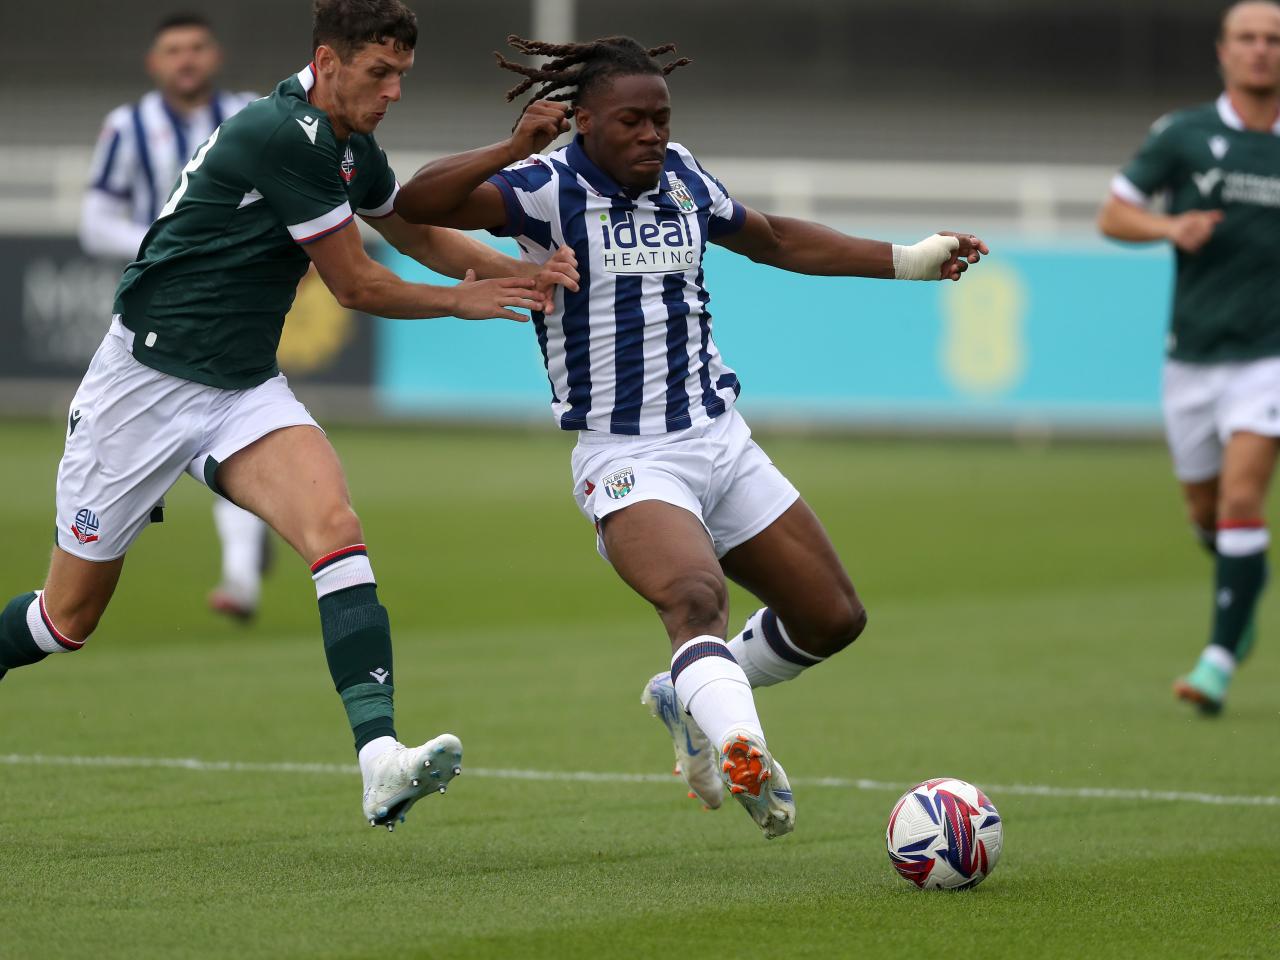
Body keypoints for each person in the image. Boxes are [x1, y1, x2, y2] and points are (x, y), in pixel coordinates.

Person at [0, 0, 577, 831]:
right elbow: (358, 284)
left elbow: (412, 232)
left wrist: (518, 274)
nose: (393, 93)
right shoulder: (285, 134)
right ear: (328, 61)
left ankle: (380, 761)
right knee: (66, 621)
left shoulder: (344, 143)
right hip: (143, 387)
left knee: (334, 526)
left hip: (238, 387)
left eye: (402, 76)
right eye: (379, 74)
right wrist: (464, 301)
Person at [394, 34, 987, 839]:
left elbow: (774, 237)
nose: (652, 135)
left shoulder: (683, 177)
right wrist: (509, 146)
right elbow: (417, 203)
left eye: (661, 118)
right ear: (586, 122)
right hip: (627, 455)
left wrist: (910, 260)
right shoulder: (544, 188)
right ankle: (744, 749)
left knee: (832, 619)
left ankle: (693, 694)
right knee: (696, 597)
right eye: (632, 121)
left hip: (721, 440)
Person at [1098, 0, 1280, 715]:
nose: (1261, 50)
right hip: (1192, 359)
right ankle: (1245, 586)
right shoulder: (1185, 135)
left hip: (1269, 356)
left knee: (1242, 497)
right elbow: (1114, 211)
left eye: (1273, 39)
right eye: (1248, 38)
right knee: (1208, 513)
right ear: (1223, 51)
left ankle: (1218, 659)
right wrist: (1170, 225)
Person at [80, 12, 272, 622]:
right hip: (153, 315)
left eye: (195, 48)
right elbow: (94, 220)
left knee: (237, 432)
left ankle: (240, 577)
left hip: (235, 309)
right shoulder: (127, 127)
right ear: (154, 63)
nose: (185, 59)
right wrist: (165, 242)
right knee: (138, 453)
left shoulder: (251, 114)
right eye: (173, 50)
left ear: (213, 56)